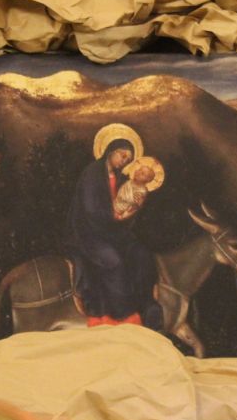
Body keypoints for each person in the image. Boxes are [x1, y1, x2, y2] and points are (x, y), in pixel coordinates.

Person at [66, 124, 160, 328]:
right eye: (122, 155)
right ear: (111, 150)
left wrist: (132, 212)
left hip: (110, 232)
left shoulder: (120, 178)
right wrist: (114, 217)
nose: (124, 161)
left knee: (140, 254)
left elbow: (124, 208)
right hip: (88, 232)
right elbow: (90, 210)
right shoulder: (92, 173)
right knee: (114, 261)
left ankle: (147, 308)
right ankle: (119, 316)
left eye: (128, 159)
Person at [112, 155, 165, 221]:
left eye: (142, 173)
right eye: (139, 170)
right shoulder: (129, 182)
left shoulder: (142, 191)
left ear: (148, 180)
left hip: (121, 212)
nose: (138, 172)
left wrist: (123, 216)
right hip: (113, 204)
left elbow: (134, 207)